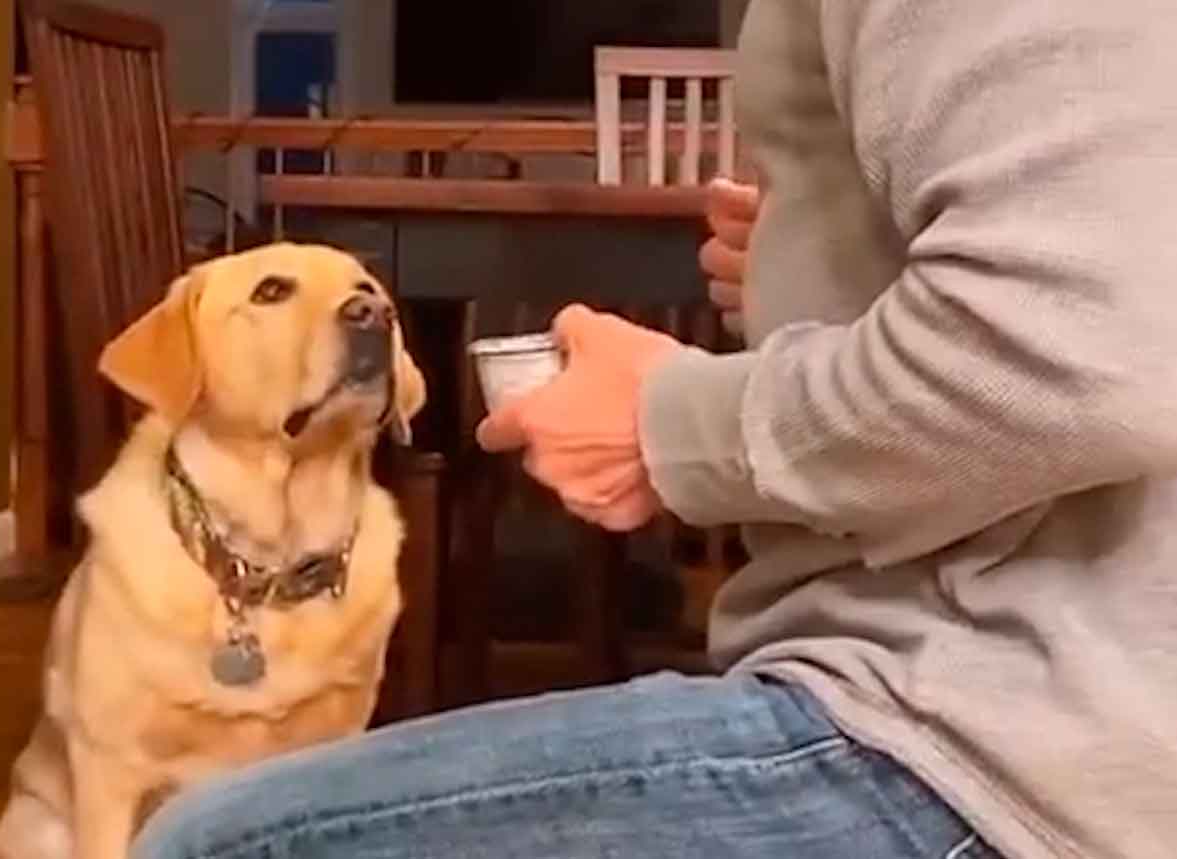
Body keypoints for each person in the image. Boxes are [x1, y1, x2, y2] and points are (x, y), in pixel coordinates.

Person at [135, 1, 1177, 856]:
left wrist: (665, 424)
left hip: (1011, 752)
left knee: (211, 845)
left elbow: (1073, 347)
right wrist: (818, 251)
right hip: (1035, 697)